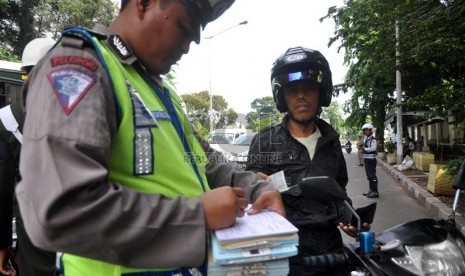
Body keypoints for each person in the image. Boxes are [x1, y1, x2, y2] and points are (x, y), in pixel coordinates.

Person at [15, 0, 285, 275]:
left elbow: (203, 162)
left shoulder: (157, 89)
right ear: (144, 3)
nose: (189, 45)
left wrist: (258, 190)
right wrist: (196, 217)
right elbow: (64, 212)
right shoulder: (80, 68)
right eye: (184, 27)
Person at [245, 46, 365, 275]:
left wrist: (351, 218)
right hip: (283, 254)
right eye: (292, 89)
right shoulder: (265, 141)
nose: (301, 95)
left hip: (331, 255)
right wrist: (256, 185)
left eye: (308, 88)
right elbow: (250, 194)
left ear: (321, 92)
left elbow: (339, 193)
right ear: (282, 97)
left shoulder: (331, 142)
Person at [0, 37, 56, 276]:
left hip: (33, 238)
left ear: (24, 72)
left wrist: (3, 244)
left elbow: (1, 189)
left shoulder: (8, 119)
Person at [361, 123, 379, 198]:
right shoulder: (367, 139)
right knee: (369, 176)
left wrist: (364, 149)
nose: (365, 132)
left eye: (367, 130)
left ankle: (375, 192)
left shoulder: (373, 139)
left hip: (371, 160)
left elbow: (373, 148)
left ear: (371, 130)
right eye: (364, 130)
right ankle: (371, 190)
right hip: (367, 159)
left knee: (372, 175)